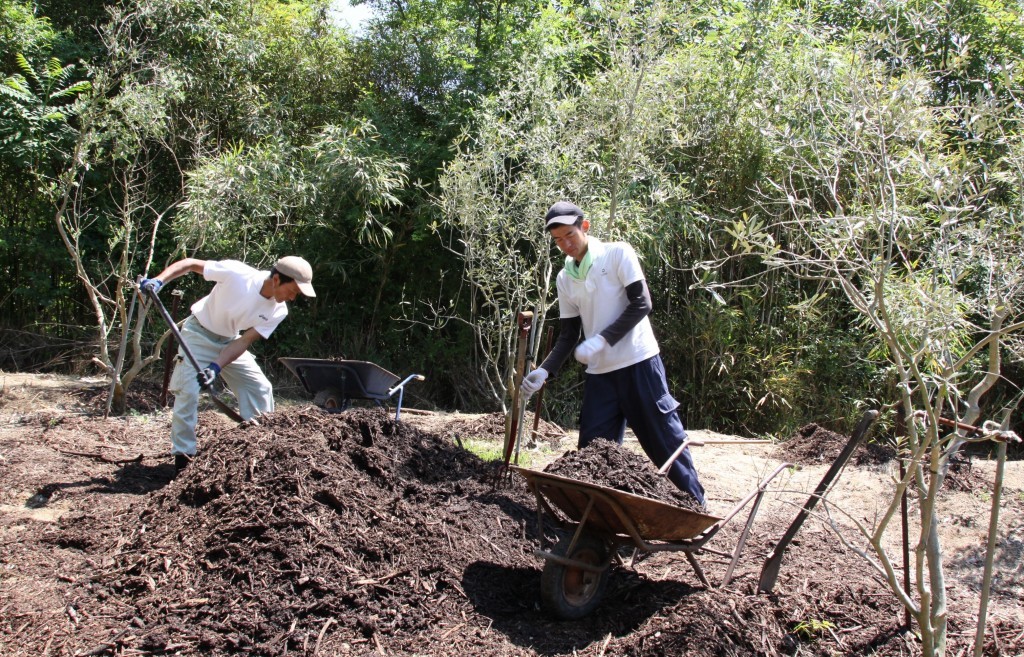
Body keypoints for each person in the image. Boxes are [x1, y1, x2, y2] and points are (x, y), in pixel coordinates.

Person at [520, 201, 705, 506]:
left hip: (639, 364)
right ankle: (598, 525)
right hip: (600, 377)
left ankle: (695, 508)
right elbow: (569, 334)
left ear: (585, 227)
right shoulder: (565, 278)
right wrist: (545, 371)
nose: (566, 244)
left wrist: (603, 339)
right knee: (594, 455)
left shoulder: (618, 253)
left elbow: (642, 303)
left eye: (570, 235)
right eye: (558, 240)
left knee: (665, 441)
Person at [140, 256, 315, 473]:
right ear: (277, 279)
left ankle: (260, 449)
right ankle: (183, 459)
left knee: (260, 387)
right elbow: (190, 263)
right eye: (294, 290)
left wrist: (215, 367)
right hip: (198, 334)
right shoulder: (238, 274)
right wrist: (159, 281)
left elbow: (243, 341)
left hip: (230, 341)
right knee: (188, 393)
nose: (293, 297)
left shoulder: (278, 311)